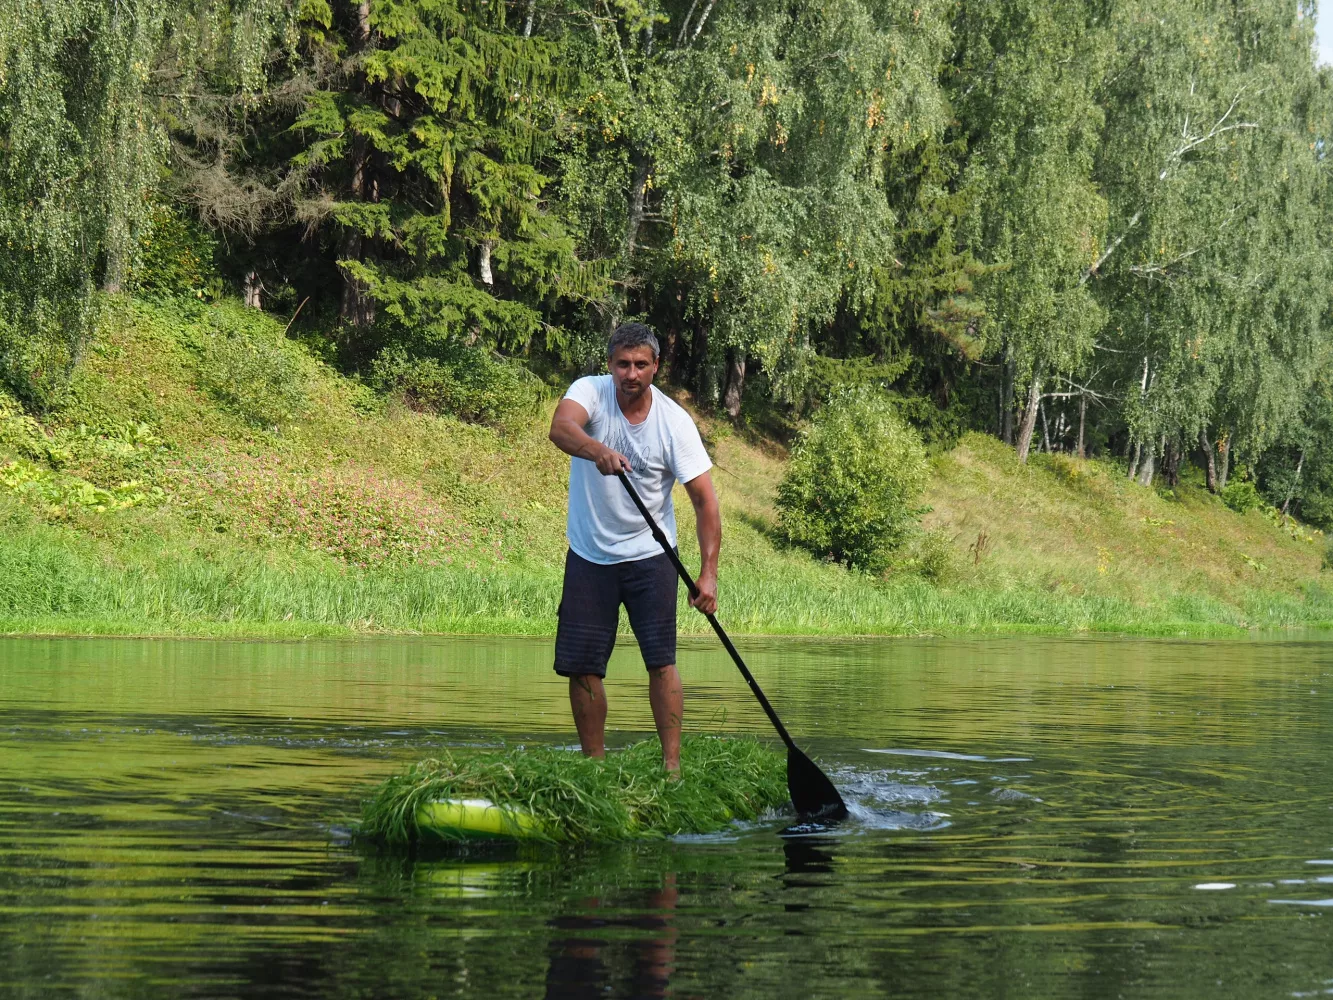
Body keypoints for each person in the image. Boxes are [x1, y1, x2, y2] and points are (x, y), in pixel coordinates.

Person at [548, 322, 720, 773]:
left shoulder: (674, 423)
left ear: (655, 367)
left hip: (652, 555)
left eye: (641, 364)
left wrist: (708, 573)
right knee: (582, 667)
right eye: (623, 364)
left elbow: (704, 501)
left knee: (661, 662)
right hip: (589, 555)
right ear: (609, 365)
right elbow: (561, 427)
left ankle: (672, 768)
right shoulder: (589, 391)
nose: (631, 373)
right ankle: (595, 770)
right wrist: (593, 449)